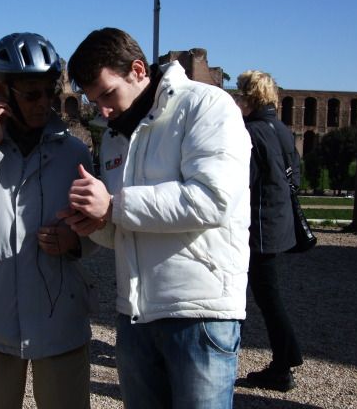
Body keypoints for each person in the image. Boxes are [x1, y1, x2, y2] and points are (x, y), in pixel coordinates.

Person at [61, 27, 252, 408]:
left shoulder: (206, 106)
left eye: (108, 94)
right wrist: (96, 224)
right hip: (134, 314)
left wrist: (113, 206)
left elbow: (212, 200)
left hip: (199, 312)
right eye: (94, 101)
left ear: (137, 70)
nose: (103, 111)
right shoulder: (114, 135)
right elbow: (127, 229)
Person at [0, 32, 98, 409]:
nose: (44, 103)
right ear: (1, 93)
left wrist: (75, 241)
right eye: (31, 94)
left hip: (61, 318)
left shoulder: (74, 152)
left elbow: (98, 225)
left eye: (49, 92)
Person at [235, 70, 303, 392]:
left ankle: (284, 364)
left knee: (264, 297)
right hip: (277, 224)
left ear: (249, 96)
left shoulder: (250, 132)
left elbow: (241, 183)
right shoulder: (282, 130)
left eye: (241, 92)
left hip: (258, 226)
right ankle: (285, 360)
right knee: (267, 296)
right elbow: (296, 177)